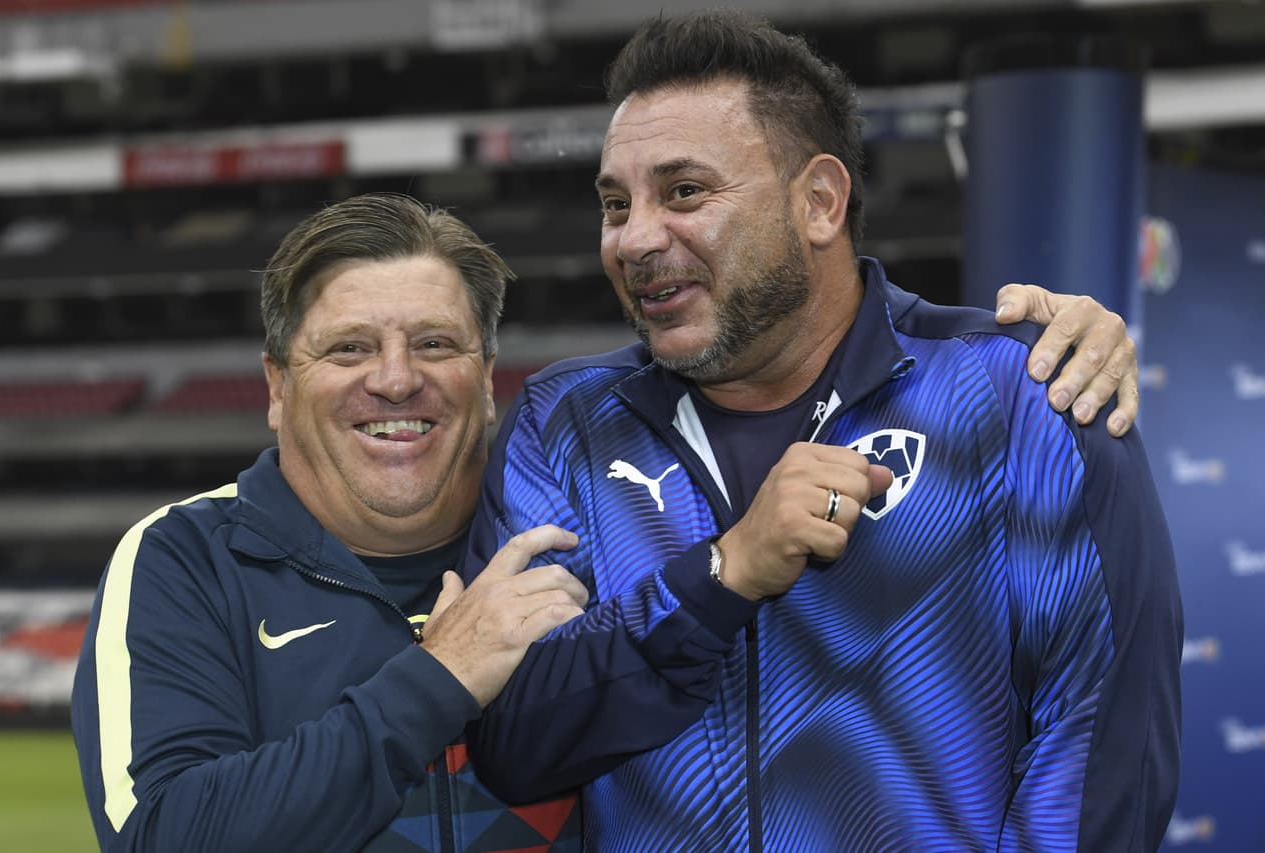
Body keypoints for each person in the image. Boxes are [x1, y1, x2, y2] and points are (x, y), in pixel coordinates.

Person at [463, 10, 1181, 853]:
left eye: (684, 191)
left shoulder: (1022, 394)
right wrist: (718, 579)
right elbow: (514, 741)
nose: (636, 239)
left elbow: (1103, 752)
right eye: (616, 204)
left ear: (819, 202)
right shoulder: (566, 424)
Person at [70, 194, 590, 852]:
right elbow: (166, 835)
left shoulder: (581, 538)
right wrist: (440, 678)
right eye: (349, 348)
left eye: (434, 343)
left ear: (486, 380)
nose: (396, 379)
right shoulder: (183, 560)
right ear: (278, 387)